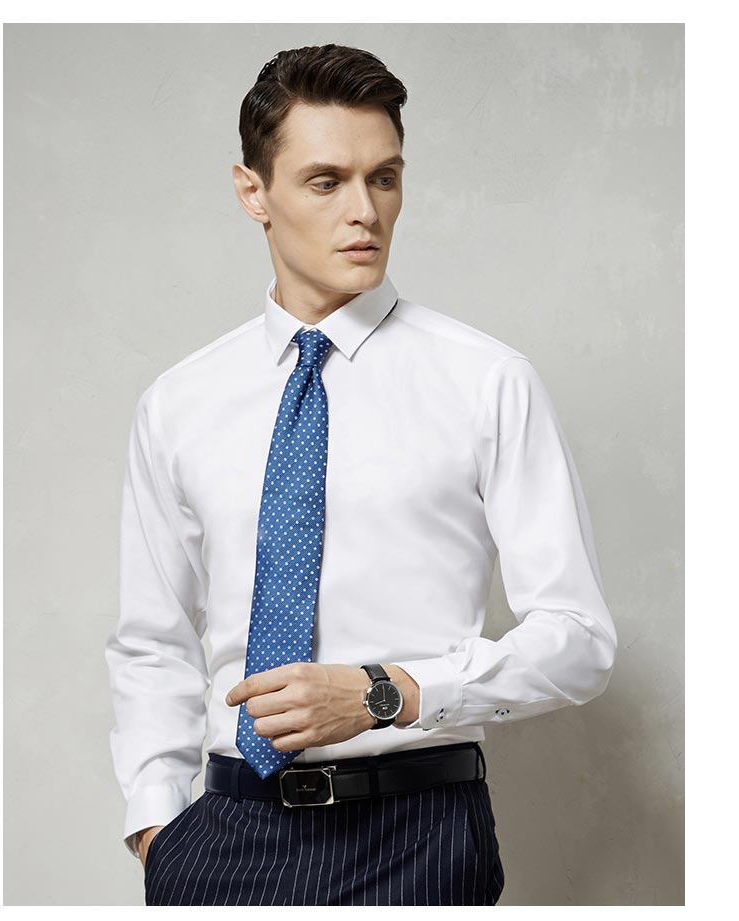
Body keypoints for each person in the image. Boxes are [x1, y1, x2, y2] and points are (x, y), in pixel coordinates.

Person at [104, 43, 617, 907]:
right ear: (253, 192)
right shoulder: (178, 402)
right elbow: (152, 640)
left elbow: (579, 638)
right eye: (326, 181)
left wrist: (392, 693)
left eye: (384, 178)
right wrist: (158, 828)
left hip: (417, 830)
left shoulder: (486, 381)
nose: (365, 211)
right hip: (225, 836)